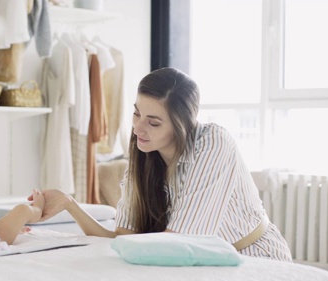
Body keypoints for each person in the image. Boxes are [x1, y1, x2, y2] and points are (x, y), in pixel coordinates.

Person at [29, 67, 292, 261]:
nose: (138, 128)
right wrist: (69, 205)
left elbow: (178, 241)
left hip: (256, 258)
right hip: (207, 263)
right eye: (136, 113)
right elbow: (121, 239)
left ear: (181, 124)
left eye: (153, 122)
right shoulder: (144, 155)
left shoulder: (214, 143)